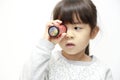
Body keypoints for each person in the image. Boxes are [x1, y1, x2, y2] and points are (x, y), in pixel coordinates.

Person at [20, 0, 113, 80]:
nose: (68, 35)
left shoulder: (102, 70)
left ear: (93, 32)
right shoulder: (47, 62)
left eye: (77, 28)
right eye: (64, 28)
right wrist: (46, 43)